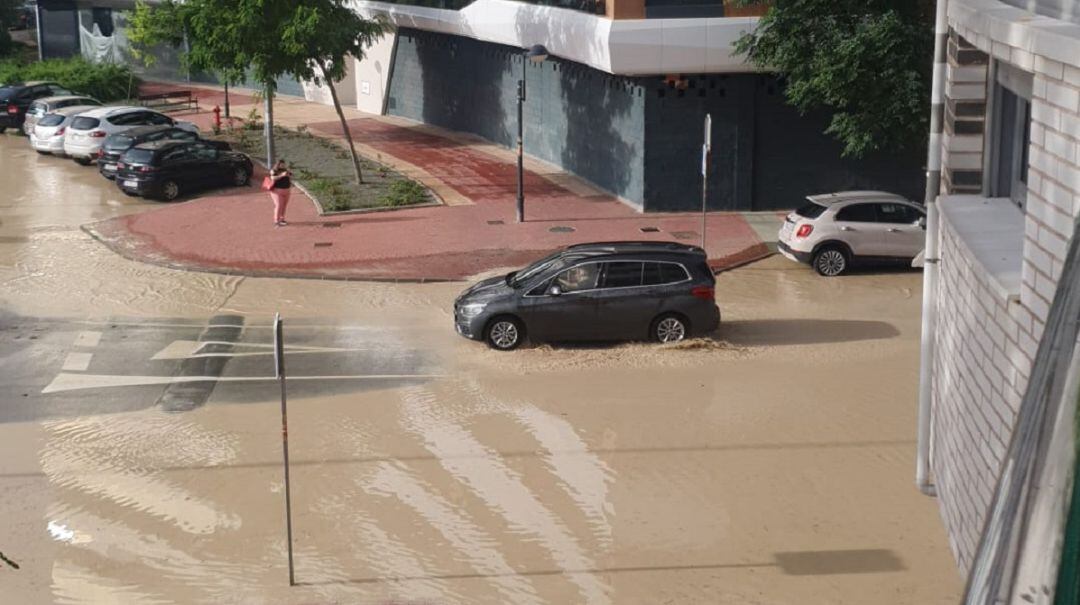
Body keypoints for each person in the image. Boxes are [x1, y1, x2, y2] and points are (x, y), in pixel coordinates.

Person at [269, 159, 292, 227]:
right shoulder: (274, 171)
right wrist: (281, 175)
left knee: (284, 206)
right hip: (277, 191)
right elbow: (272, 178)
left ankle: (282, 219)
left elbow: (291, 177)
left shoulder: (286, 170)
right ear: (278, 164)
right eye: (281, 164)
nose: (283, 165)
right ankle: (276, 221)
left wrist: (289, 174)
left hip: (287, 190)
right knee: (279, 205)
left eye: (284, 164)